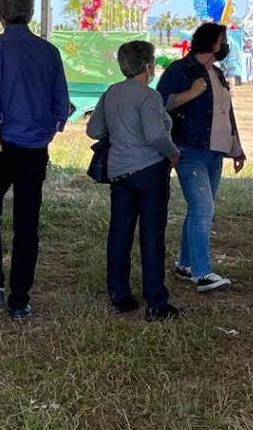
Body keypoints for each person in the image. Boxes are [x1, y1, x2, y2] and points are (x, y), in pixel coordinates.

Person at [0, 0, 70, 321]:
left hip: (1, 145)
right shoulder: (48, 51)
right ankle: (20, 299)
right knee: (27, 223)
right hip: (34, 148)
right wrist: (46, 133)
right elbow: (62, 102)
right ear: (30, 14)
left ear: (1, 14)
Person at [87, 41, 182, 322]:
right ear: (148, 66)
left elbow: (94, 130)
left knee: (120, 232)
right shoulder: (149, 96)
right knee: (152, 236)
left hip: (120, 171)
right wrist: (173, 153)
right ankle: (156, 302)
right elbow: (155, 135)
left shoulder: (112, 92)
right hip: (150, 170)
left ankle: (119, 294)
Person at [156, 22, 247, 293]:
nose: (225, 46)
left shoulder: (218, 74)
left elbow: (226, 113)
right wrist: (192, 93)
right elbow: (161, 103)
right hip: (189, 148)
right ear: (210, 42)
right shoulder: (180, 70)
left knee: (198, 209)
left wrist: (236, 147)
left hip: (215, 151)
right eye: (222, 40)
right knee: (203, 209)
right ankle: (202, 273)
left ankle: (185, 264)